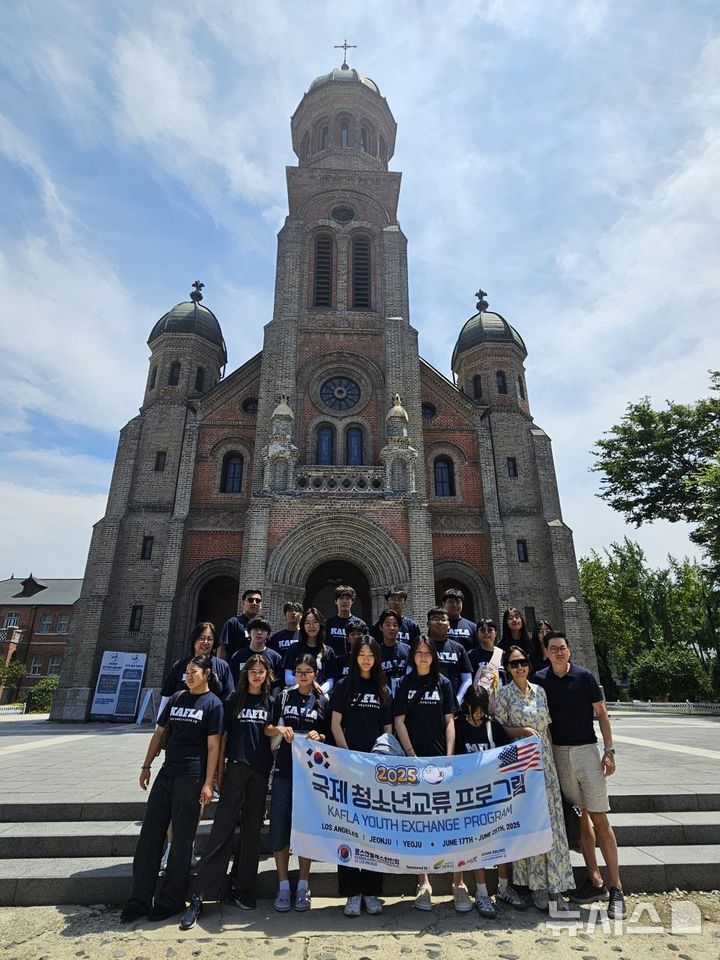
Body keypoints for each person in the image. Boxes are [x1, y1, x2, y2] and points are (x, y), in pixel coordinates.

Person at [120, 655, 223, 923]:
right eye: (186, 672)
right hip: (167, 772)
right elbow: (159, 733)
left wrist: (208, 783)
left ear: (207, 673)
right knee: (150, 835)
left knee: (181, 839)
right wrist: (146, 766)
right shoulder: (177, 698)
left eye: (194, 672)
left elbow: (214, 747)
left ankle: (171, 900)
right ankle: (140, 898)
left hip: (191, 775)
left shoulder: (213, 704)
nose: (188, 676)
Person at [534, 631, 626, 919]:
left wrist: (609, 750)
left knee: (599, 817)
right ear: (546, 652)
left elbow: (601, 712)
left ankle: (617, 888)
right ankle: (594, 880)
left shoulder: (584, 677)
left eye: (563, 648)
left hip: (587, 752)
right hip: (560, 754)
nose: (559, 652)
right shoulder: (540, 680)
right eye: (553, 649)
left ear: (569, 651)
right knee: (579, 817)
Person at [180, 656, 275, 928]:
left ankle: (243, 889)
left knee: (252, 832)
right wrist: (219, 772)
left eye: (261, 671)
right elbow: (222, 738)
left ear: (267, 675)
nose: (257, 675)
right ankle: (201, 894)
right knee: (222, 829)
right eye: (253, 671)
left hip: (259, 771)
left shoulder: (271, 701)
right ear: (245, 674)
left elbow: (269, 731)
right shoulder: (233, 700)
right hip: (235, 769)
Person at [494, 646, 573, 913]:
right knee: (530, 821)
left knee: (553, 822)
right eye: (514, 663)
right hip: (521, 764)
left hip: (546, 764)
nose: (519, 667)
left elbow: (547, 727)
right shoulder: (503, 694)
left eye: (523, 662)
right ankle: (538, 886)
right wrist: (523, 730)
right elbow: (500, 728)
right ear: (507, 667)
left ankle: (558, 885)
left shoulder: (540, 691)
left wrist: (555, 764)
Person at [393, 633, 456, 912]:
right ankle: (423, 882)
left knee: (448, 821)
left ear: (433, 656)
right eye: (418, 652)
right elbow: (399, 720)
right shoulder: (405, 683)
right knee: (418, 823)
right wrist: (410, 755)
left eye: (427, 652)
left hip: (440, 759)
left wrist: (449, 757)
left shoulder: (443, 683)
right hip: (414, 760)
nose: (422, 656)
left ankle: (459, 882)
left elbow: (449, 720)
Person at [330, 635, 392, 917]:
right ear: (354, 657)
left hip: (375, 767)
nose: (366, 659)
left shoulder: (382, 687)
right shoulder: (345, 686)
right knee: (348, 828)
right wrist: (347, 756)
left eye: (371, 654)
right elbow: (335, 724)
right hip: (349, 765)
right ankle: (352, 892)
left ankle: (371, 891)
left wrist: (380, 755)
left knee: (374, 830)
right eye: (361, 654)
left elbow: (388, 727)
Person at [451, 686, 526, 916]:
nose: (478, 714)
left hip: (494, 794)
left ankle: (504, 886)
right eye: (474, 709)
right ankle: (482, 892)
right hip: (470, 797)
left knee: (500, 840)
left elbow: (508, 754)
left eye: (482, 710)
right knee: (477, 844)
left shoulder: (491, 726)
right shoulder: (459, 726)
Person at [266, 653, 329, 912]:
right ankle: (283, 885)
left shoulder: (322, 700)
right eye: (299, 671)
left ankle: (303, 884)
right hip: (284, 770)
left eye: (308, 671)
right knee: (279, 826)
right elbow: (267, 727)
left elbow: (328, 734)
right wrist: (279, 730)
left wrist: (319, 734)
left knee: (306, 828)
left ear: (315, 674)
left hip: (311, 773)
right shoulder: (283, 697)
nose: (303, 675)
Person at [158, 622, 234, 716]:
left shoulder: (223, 666)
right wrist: (159, 727)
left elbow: (229, 695)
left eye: (210, 639)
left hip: (211, 721)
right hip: (182, 719)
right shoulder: (179, 665)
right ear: (194, 640)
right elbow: (167, 697)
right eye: (202, 638)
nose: (206, 642)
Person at [426, 607, 472, 703]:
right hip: (427, 703)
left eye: (443, 619)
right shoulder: (420, 647)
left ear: (449, 624)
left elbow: (467, 680)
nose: (440, 622)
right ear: (428, 625)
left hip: (454, 704)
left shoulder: (459, 648)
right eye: (435, 619)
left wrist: (457, 701)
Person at [283, 608, 335, 690]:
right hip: (296, 690)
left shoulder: (328, 651)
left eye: (315, 622)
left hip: (319, 692)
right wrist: (308, 682)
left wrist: (321, 690)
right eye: (307, 623)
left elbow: (330, 680)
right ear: (303, 626)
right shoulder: (294, 648)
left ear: (320, 625)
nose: (311, 626)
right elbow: (287, 678)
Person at [229, 616, 283, 689]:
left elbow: (277, 684)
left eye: (263, 630)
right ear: (249, 632)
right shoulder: (237, 656)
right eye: (256, 629)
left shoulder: (275, 658)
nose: (259, 633)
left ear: (268, 634)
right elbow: (232, 682)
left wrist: (273, 699)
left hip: (266, 698)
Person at [468, 619, 506, 710]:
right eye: (482, 630)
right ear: (477, 633)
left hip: (502, 704)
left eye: (490, 630)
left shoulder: (503, 655)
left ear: (496, 633)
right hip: (480, 705)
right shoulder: (471, 655)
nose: (486, 633)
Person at [218, 589, 263, 660]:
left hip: (255, 669)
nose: (254, 603)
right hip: (235, 668)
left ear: (261, 605)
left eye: (258, 601)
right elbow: (222, 648)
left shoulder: (263, 626)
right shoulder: (233, 623)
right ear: (243, 604)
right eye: (250, 600)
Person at [375, 609, 411, 695]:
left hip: (404, 698)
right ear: (381, 627)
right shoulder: (376, 652)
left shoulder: (408, 650)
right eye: (388, 625)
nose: (391, 628)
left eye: (395, 625)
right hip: (383, 697)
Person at [326, 618, 366, 692]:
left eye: (359, 633)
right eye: (352, 634)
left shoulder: (368, 660)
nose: (356, 637)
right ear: (347, 638)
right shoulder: (339, 661)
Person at [325, 585, 357, 655]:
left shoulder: (359, 624)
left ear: (352, 601)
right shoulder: (328, 623)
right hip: (333, 663)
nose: (344, 601)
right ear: (336, 601)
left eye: (348, 598)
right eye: (341, 598)